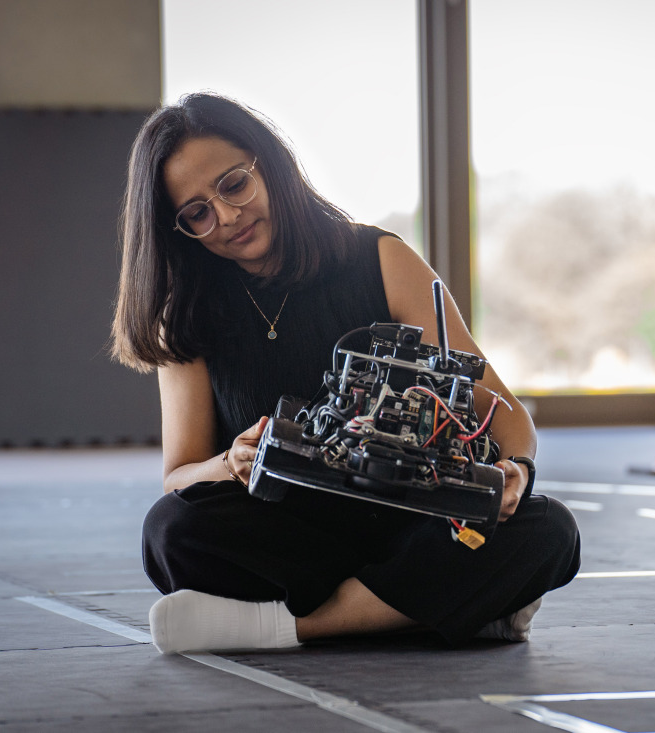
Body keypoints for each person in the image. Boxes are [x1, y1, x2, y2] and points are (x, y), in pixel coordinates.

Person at [111, 92, 580, 654]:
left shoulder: (380, 258)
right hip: (295, 537)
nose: (228, 217)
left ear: (269, 165)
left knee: (549, 530)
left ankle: (288, 628)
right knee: (170, 531)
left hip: (408, 517)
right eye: (198, 213)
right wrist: (231, 461)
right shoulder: (185, 312)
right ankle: (438, 608)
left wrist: (518, 470)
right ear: (176, 228)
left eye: (234, 185)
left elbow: (499, 411)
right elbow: (180, 475)